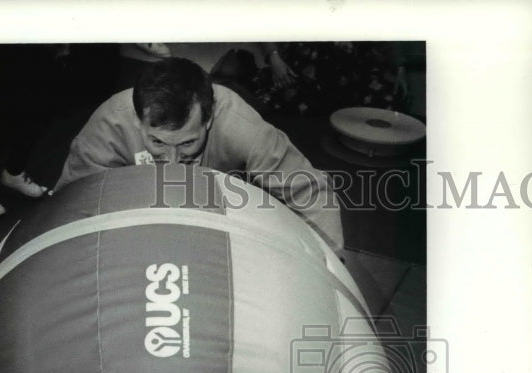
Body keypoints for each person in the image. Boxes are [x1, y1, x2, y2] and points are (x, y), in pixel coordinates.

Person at [53, 56, 343, 250]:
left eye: (188, 144)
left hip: (223, 215)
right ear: (138, 120)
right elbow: (68, 208)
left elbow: (311, 193)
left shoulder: (242, 129)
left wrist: (330, 271)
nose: (174, 160)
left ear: (208, 119)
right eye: (158, 143)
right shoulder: (109, 125)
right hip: (133, 220)